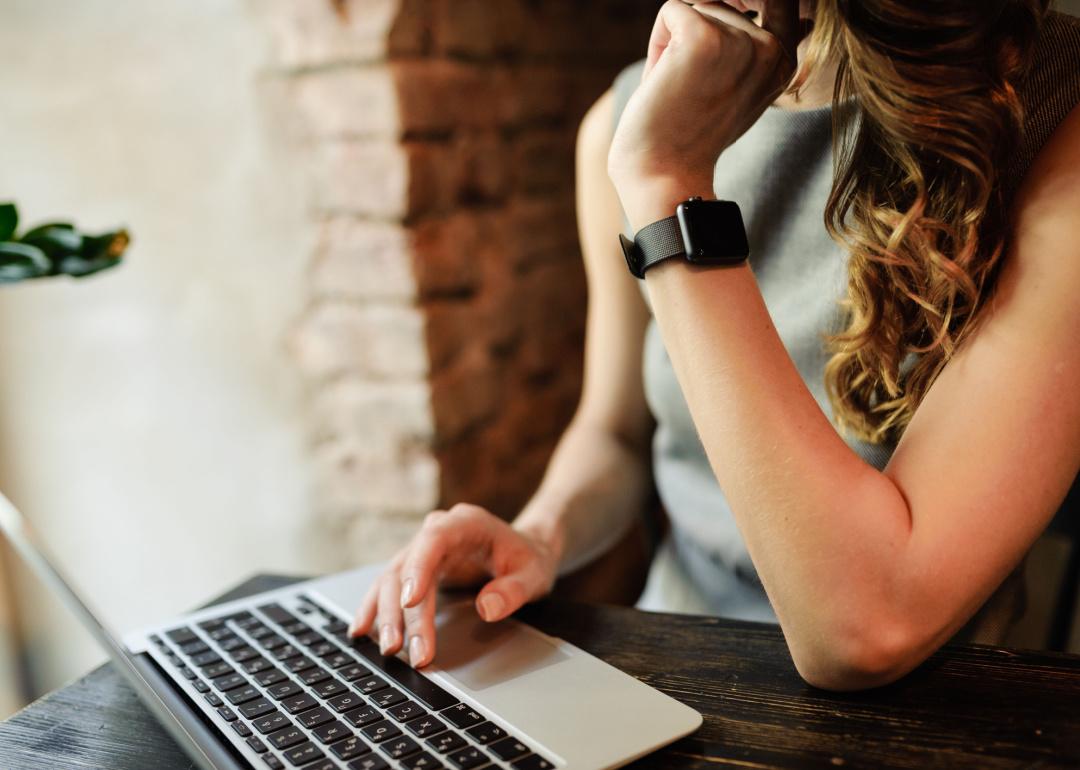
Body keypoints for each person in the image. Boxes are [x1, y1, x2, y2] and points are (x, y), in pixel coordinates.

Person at [349, 0, 1080, 691]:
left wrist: (669, 185)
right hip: (670, 660)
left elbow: (865, 627)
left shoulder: (1051, 106)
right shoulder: (623, 125)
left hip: (922, 715)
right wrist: (540, 534)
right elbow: (617, 434)